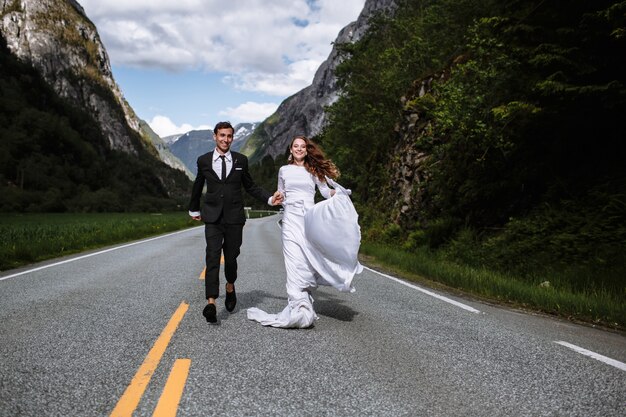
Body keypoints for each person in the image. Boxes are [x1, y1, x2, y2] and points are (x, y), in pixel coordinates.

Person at [247, 136, 363, 328]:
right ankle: (298, 306)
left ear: (306, 150)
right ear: (290, 150)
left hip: (309, 220)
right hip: (291, 219)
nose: (299, 149)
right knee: (293, 261)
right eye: (296, 146)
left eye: (302, 147)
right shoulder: (283, 170)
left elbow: (325, 192)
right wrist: (277, 197)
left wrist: (339, 193)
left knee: (309, 261)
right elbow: (281, 194)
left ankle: (305, 297)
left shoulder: (313, 171)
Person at [189, 121, 283, 324]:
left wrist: (269, 199)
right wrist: (194, 208)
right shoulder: (203, 160)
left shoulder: (241, 160)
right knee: (212, 257)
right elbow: (198, 185)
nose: (225, 139)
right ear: (215, 136)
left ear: (232, 138)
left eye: (229, 136)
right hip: (212, 218)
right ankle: (211, 303)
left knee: (231, 258)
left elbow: (251, 186)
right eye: (222, 135)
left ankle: (230, 286)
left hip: (234, 219)